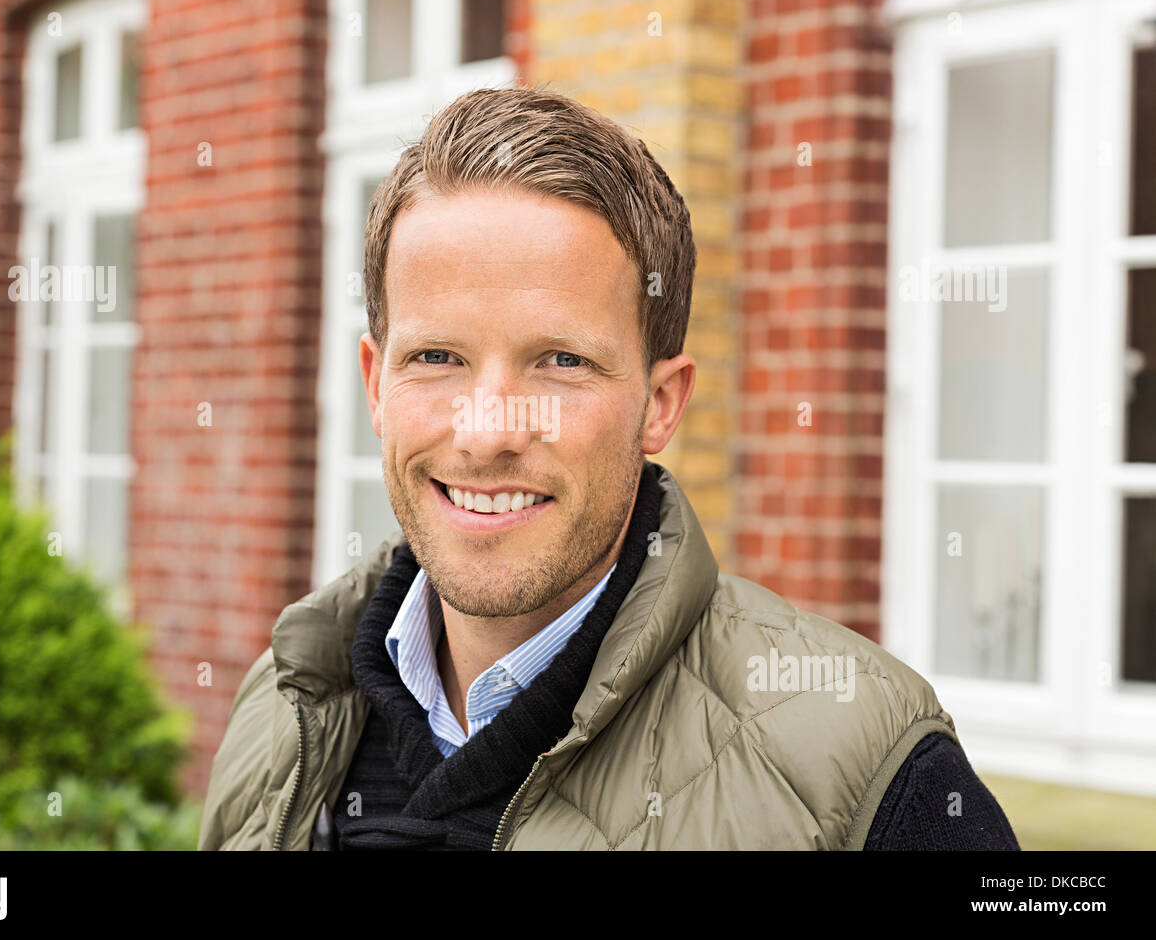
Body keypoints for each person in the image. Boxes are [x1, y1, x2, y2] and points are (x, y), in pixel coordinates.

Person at [198, 86, 1018, 850]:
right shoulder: (279, 708)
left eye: (560, 361)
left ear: (660, 403)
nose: (487, 434)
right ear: (376, 384)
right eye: (438, 356)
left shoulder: (869, 768)